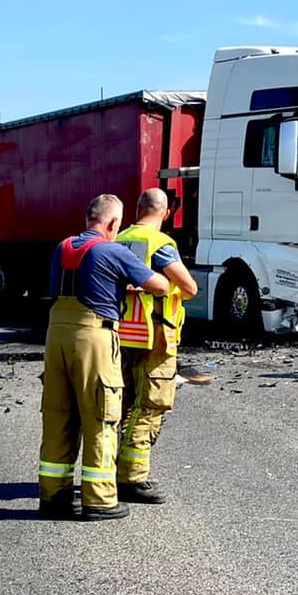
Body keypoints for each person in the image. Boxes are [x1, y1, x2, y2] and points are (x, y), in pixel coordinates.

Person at [38, 194, 169, 521]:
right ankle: (99, 499)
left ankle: (54, 496)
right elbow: (160, 286)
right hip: (93, 336)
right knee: (101, 413)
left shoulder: (63, 247)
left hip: (56, 336)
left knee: (59, 414)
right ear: (112, 224)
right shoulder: (112, 250)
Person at [115, 188, 198, 504]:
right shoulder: (160, 244)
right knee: (151, 405)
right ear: (166, 213)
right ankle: (133, 478)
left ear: (137, 209)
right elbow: (188, 287)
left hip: (122, 335)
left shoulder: (119, 238)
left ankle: (109, 471)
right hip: (156, 338)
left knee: (121, 404)